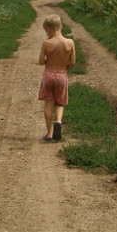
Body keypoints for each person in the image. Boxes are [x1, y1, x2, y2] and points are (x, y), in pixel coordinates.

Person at [37, 13, 75, 142]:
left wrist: (47, 59)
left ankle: (49, 134)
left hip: (48, 75)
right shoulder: (70, 43)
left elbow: (41, 61)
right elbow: (72, 62)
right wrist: (63, 69)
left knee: (48, 103)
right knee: (60, 103)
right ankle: (58, 121)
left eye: (46, 31)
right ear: (61, 27)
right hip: (61, 75)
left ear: (49, 29)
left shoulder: (46, 43)